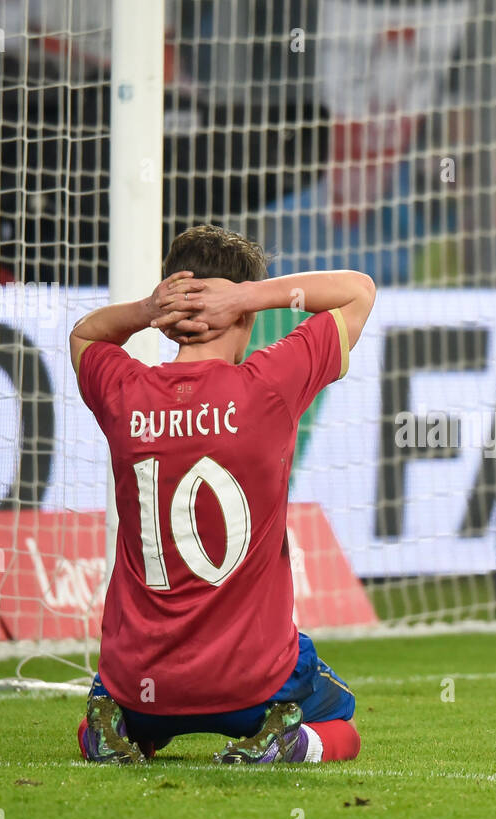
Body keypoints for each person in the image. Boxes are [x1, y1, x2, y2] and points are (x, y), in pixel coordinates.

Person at [71, 225, 375, 764]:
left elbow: (85, 336)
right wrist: (251, 295)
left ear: (169, 321)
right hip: (251, 682)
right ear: (245, 317)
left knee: (119, 697)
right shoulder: (269, 385)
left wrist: (147, 309)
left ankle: (109, 722)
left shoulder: (125, 391)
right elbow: (360, 291)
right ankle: (290, 741)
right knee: (340, 722)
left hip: (144, 685)